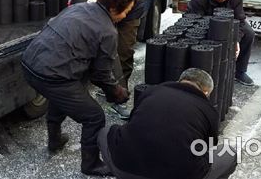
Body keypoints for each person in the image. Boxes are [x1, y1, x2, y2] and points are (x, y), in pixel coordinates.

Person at [21, 0, 139, 177]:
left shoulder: (79, 8)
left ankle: (54, 140)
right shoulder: (108, 32)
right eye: (126, 10)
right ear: (113, 8)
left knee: (67, 92)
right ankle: (91, 164)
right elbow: (100, 75)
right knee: (94, 116)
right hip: (51, 75)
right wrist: (116, 93)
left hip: (29, 64)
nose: (127, 14)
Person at [97, 68, 237, 179]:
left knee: (105, 132)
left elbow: (132, 121)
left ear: (180, 81)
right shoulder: (208, 110)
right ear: (206, 92)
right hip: (180, 175)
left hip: (126, 168)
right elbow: (208, 146)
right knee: (230, 153)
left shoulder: (152, 91)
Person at [187, 0, 255, 86]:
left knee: (249, 33)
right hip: (204, 22)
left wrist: (236, 40)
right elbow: (195, 21)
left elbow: (240, 20)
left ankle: (240, 71)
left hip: (228, 22)